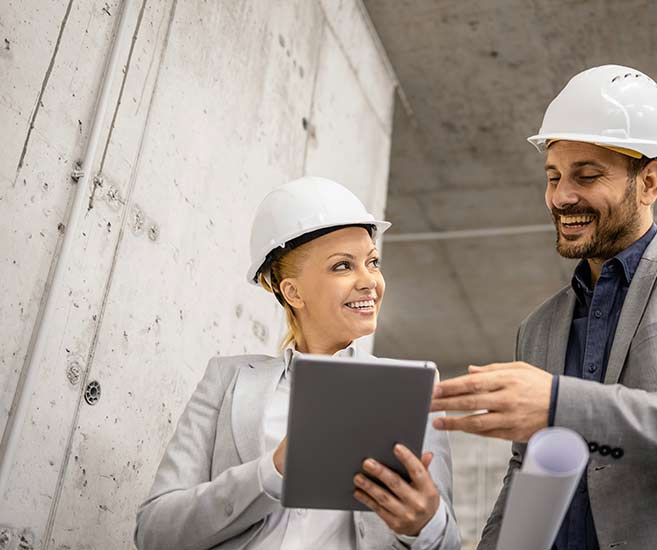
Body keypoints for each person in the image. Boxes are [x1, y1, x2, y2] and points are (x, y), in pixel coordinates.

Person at [429, 65, 657, 550]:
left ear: (648, 182)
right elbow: (526, 473)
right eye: (554, 176)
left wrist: (563, 404)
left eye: (587, 175)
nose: (561, 196)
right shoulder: (538, 328)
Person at [135, 176, 461, 550]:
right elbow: (153, 532)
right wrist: (272, 470)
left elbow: (449, 543)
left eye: (372, 262)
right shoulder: (227, 381)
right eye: (343, 266)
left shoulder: (412, 391)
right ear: (293, 291)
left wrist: (424, 523)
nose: (369, 280)